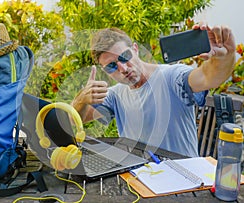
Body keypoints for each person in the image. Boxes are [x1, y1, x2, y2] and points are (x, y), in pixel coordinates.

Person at [71, 23, 236, 157]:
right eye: (111, 66)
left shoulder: (172, 77)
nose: (122, 69)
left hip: (183, 181)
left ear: (135, 49)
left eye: (124, 57)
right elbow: (75, 119)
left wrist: (224, 56)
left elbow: (209, 77)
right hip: (139, 180)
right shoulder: (115, 95)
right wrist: (81, 100)